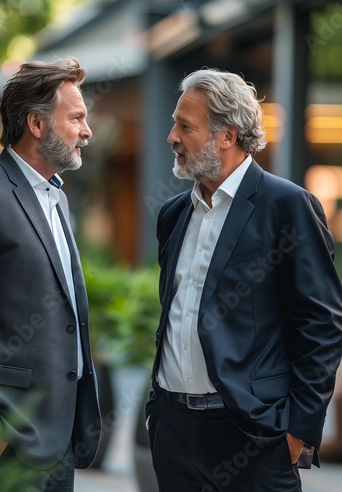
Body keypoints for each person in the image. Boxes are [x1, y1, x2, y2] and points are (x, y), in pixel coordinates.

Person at [146, 68, 342, 492]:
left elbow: (322, 325)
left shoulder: (287, 205)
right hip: (174, 433)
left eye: (185, 126)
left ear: (227, 135)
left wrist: (297, 433)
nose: (171, 137)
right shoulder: (174, 213)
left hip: (252, 437)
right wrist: (156, 411)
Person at [0, 57, 101, 491]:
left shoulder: (57, 197)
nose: (87, 131)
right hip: (8, 441)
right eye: (77, 117)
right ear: (36, 125)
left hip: (59, 437)